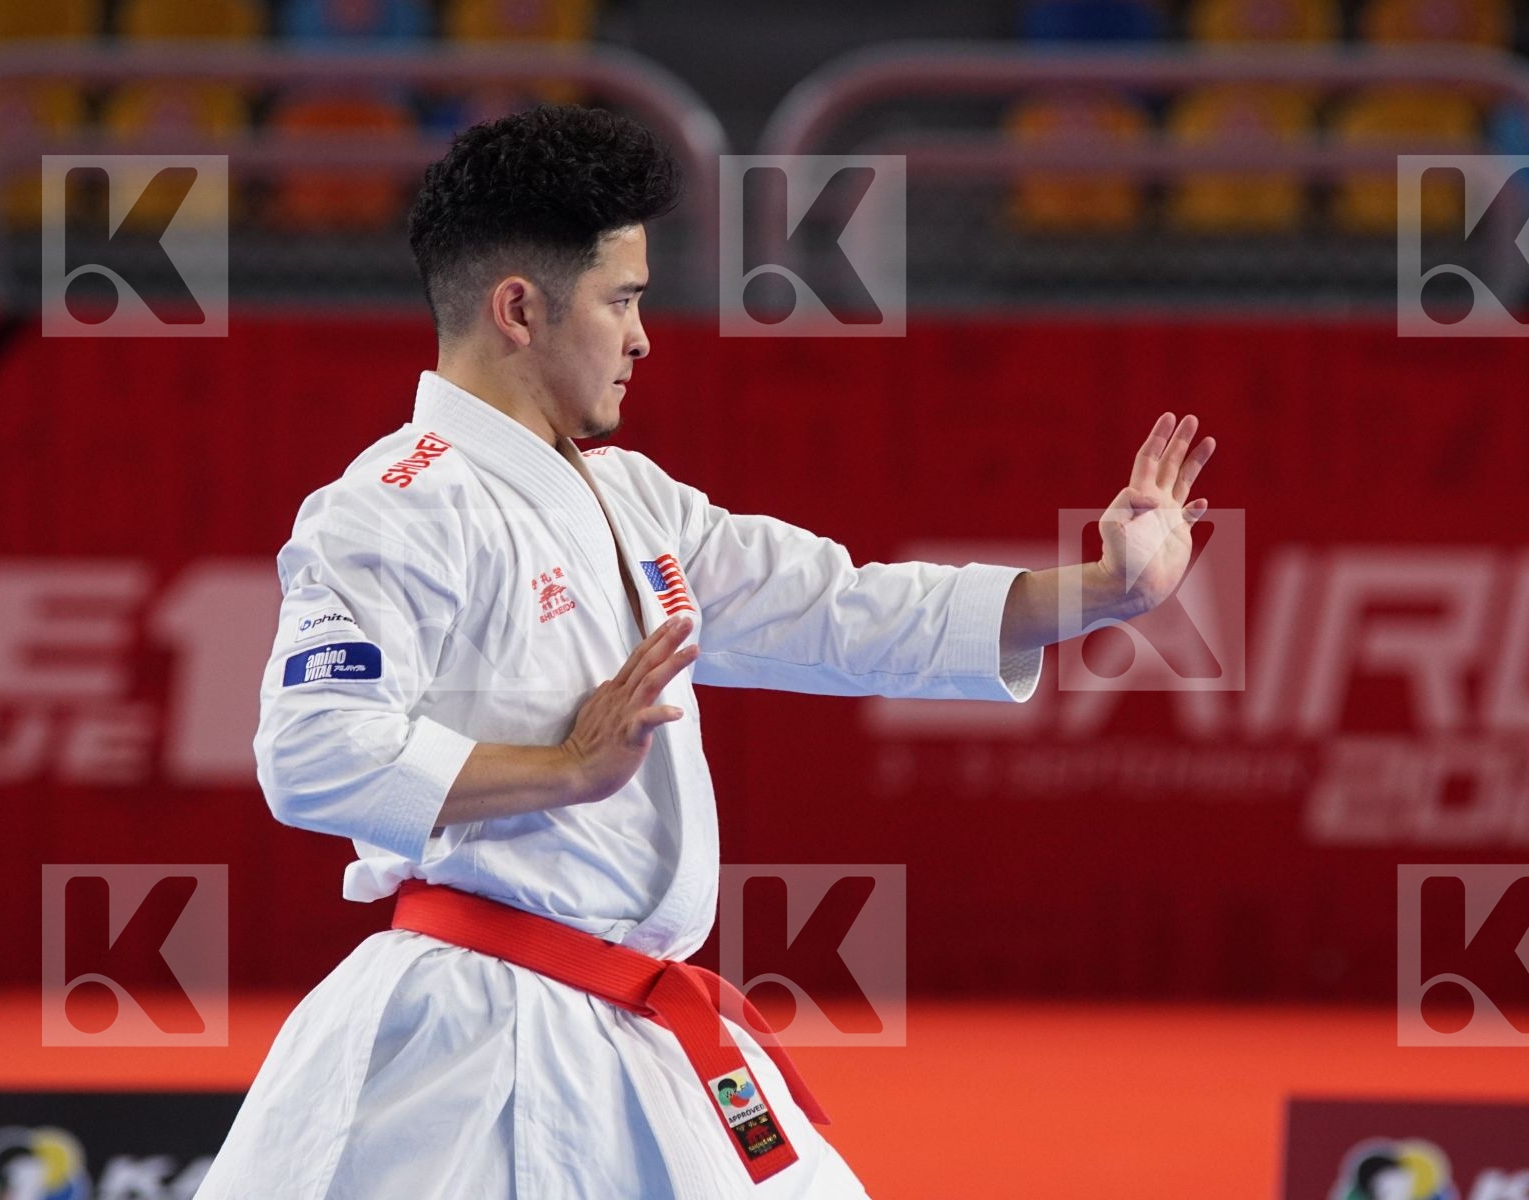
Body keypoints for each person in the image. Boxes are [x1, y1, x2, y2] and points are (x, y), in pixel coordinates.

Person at [196, 102, 1216, 1199]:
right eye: (621, 301)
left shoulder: (633, 498)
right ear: (520, 308)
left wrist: (1101, 594)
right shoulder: (395, 505)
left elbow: (842, 612)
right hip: (479, 1030)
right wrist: (563, 771)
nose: (642, 337)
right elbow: (310, 754)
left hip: (635, 1017)